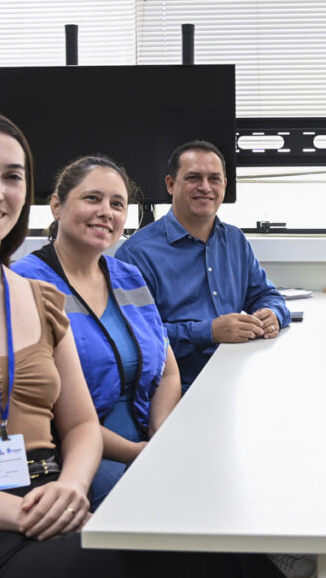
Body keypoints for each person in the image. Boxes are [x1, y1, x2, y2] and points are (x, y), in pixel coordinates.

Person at [0, 112, 295, 578]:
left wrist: (72, 488)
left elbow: (79, 425)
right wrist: (21, 511)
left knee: (223, 551)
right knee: (195, 562)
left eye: (12, 177)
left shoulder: (40, 301)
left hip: (54, 506)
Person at [12, 155, 181, 510]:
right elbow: (52, 410)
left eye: (117, 204)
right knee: (165, 507)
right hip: (75, 453)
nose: (106, 212)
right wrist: (137, 452)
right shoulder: (24, 284)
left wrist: (160, 436)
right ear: (56, 206)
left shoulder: (128, 276)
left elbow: (168, 371)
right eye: (92, 198)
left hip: (146, 439)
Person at [116, 140, 290, 391]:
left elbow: (266, 294)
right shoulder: (136, 254)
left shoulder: (235, 240)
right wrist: (209, 332)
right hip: (176, 389)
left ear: (224, 185)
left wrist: (273, 313)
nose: (205, 187)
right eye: (193, 178)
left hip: (237, 376)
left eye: (214, 179)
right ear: (170, 184)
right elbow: (135, 338)